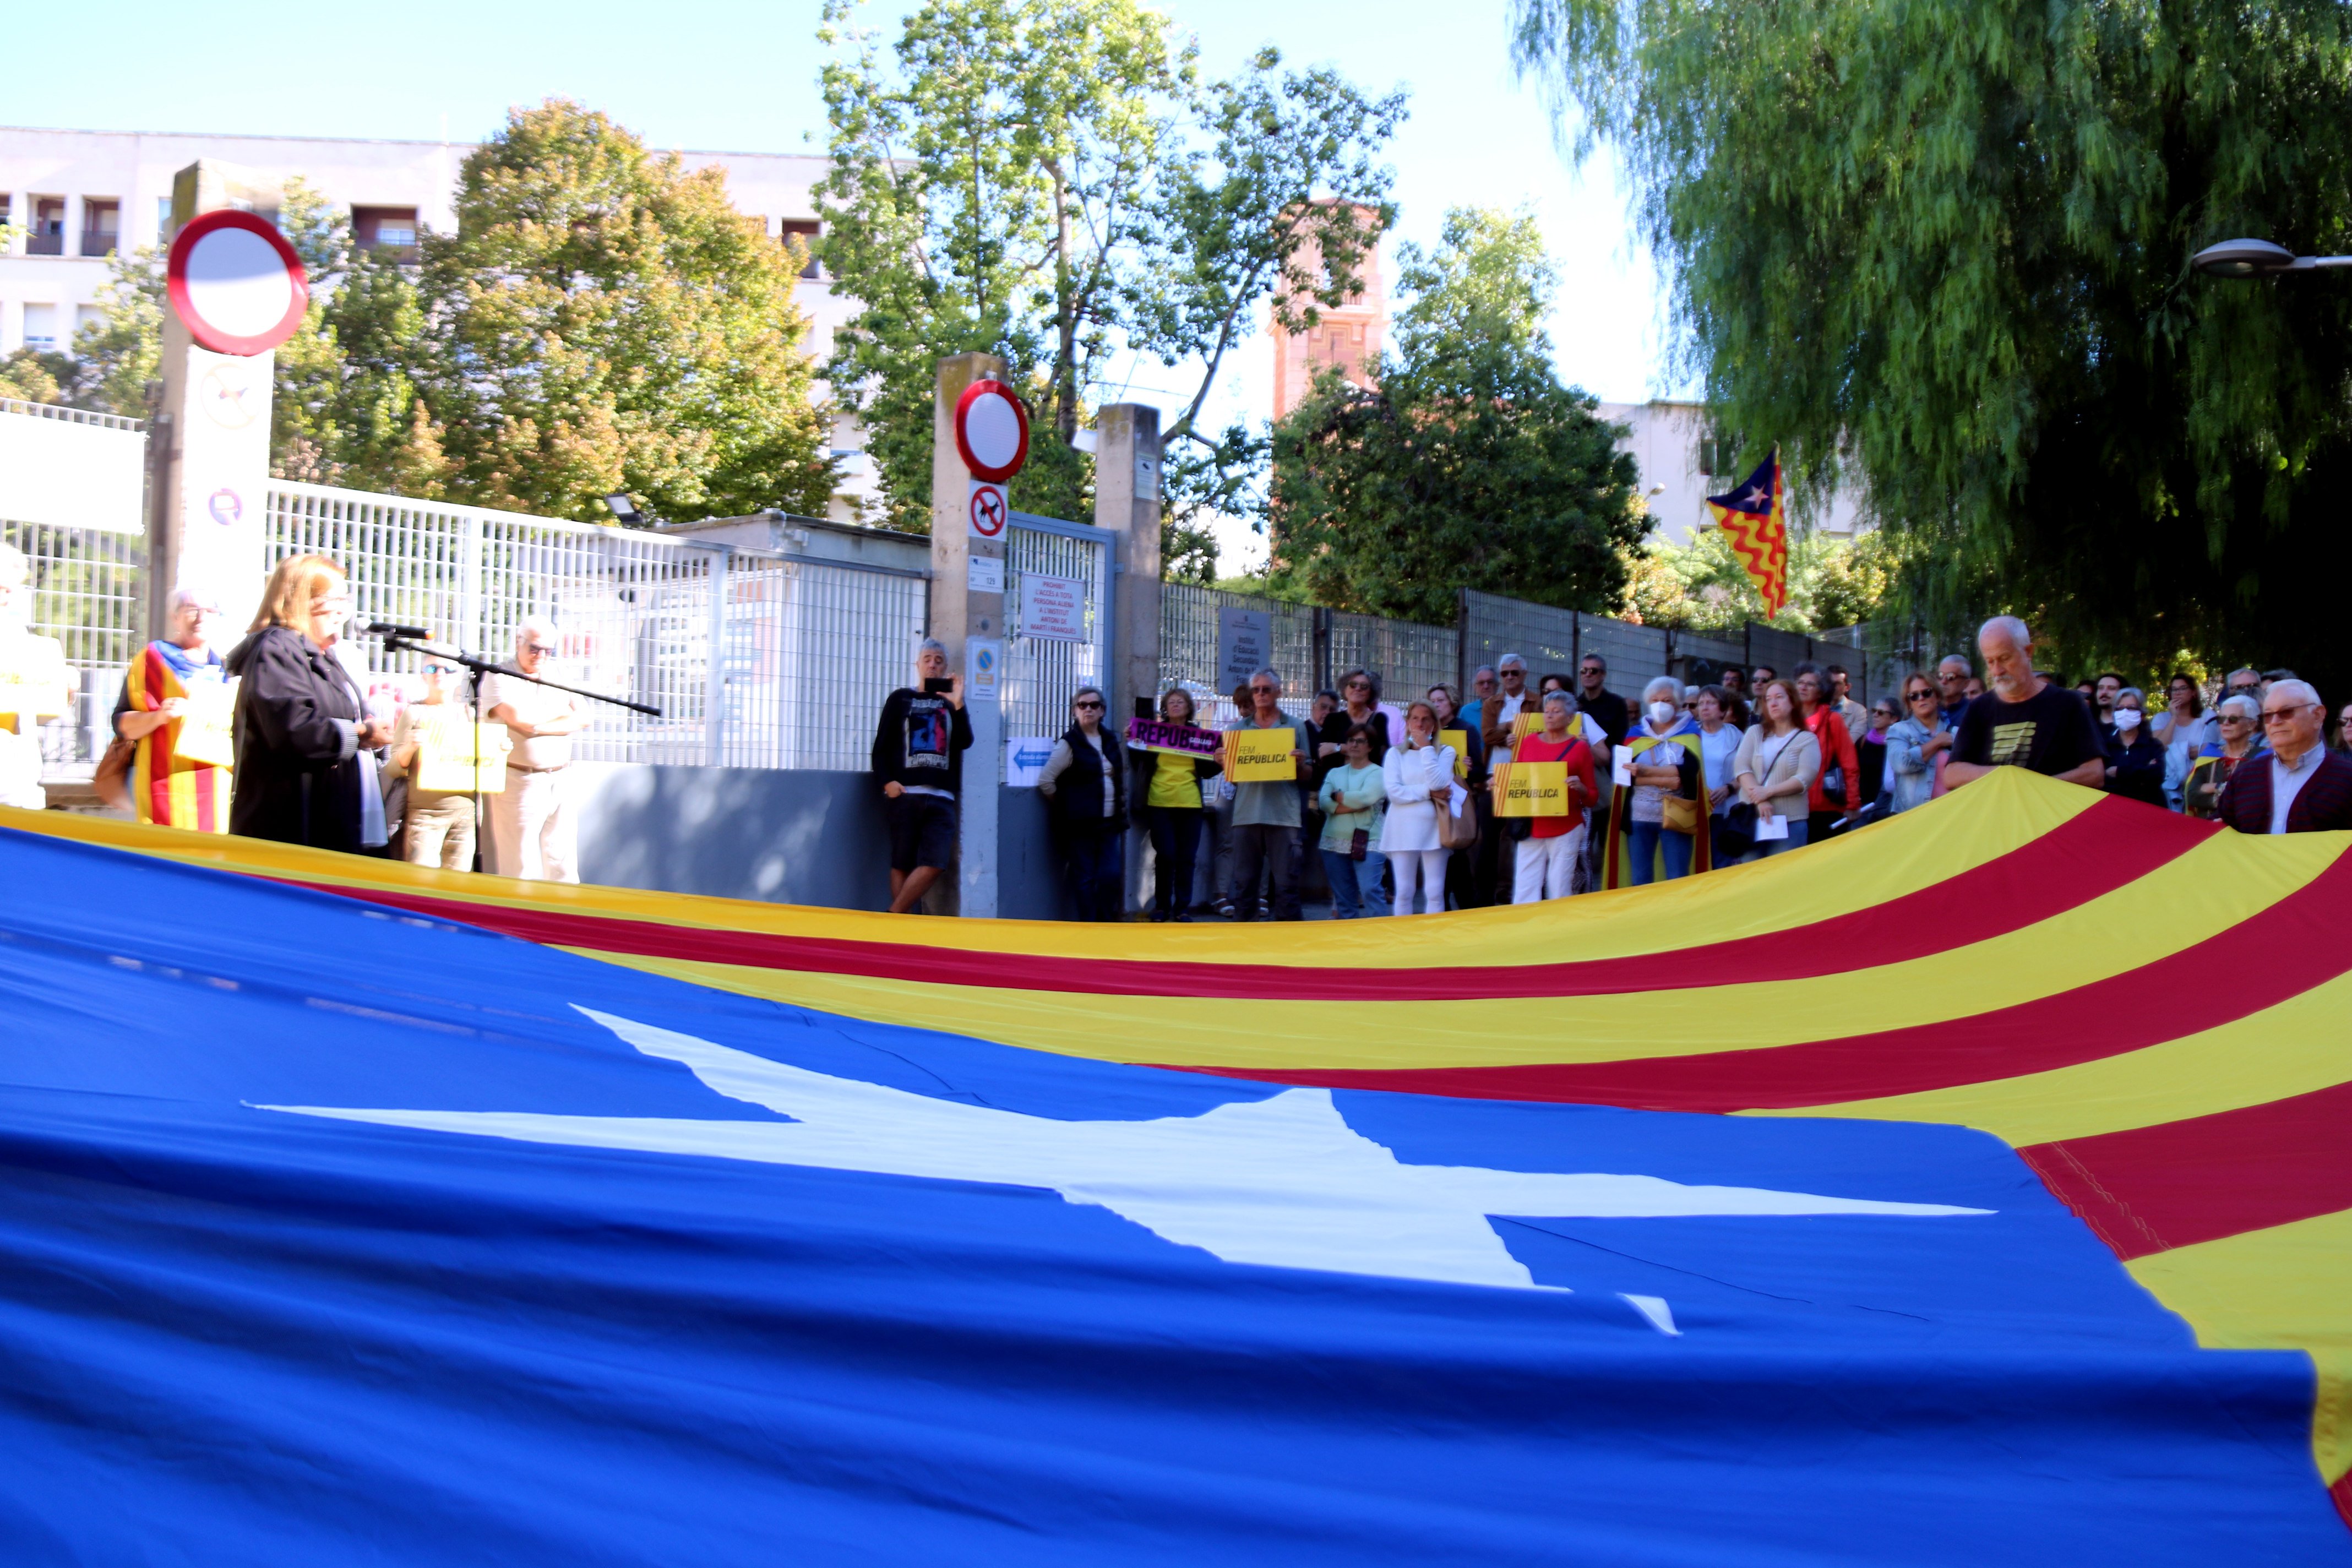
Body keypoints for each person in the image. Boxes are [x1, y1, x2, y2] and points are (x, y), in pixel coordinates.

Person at [224, 553, 392, 853]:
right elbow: (292, 729)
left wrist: (372, 734)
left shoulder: (321, 653)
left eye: (346, 599)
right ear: (301, 599)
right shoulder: (277, 648)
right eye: (335, 599)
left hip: (328, 814)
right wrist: (361, 734)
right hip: (292, 823)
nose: (345, 611)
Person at [112, 586, 232, 833]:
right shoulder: (153, 659)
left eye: (210, 611)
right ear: (175, 616)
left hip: (214, 787)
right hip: (164, 783)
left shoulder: (225, 669)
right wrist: (159, 716)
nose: (201, 618)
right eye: (192, 610)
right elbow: (121, 724)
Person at [870, 637, 973, 914]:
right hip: (905, 795)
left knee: (935, 863)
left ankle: (894, 918)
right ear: (917, 664)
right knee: (902, 861)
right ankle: (904, 932)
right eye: (928, 659)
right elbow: (880, 748)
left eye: (939, 661)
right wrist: (887, 783)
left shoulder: (952, 703)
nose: (933, 665)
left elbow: (965, 741)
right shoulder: (901, 698)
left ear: (946, 667)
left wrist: (959, 704)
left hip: (941, 798)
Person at [1944, 617, 2108, 790]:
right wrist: (2006, 775)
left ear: (2028, 652)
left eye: (2005, 658)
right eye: (1990, 661)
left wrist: (2033, 787)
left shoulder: (2068, 703)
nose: (1997, 670)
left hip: (2052, 813)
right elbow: (1952, 775)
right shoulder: (1979, 707)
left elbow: (2094, 774)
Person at [482, 616, 586, 883]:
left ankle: (564, 920)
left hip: (561, 775)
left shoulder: (559, 673)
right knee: (520, 864)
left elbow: (584, 717)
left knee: (562, 861)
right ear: (519, 642)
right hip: (520, 779)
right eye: (534, 648)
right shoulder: (499, 675)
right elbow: (522, 722)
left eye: (548, 651)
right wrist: (561, 719)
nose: (541, 656)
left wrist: (538, 725)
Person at [1222, 667, 1313, 922]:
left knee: (1286, 886)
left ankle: (1289, 945)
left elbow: (1308, 775)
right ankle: (1246, 944)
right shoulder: (1235, 731)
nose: (1261, 694)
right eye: (1256, 690)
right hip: (1246, 816)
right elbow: (1232, 777)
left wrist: (1300, 764)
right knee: (1244, 885)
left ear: (1278, 692)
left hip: (1284, 816)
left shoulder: (1295, 727)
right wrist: (1224, 763)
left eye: (1266, 689)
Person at [1604, 674, 1707, 886]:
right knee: (1640, 879)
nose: (1661, 705)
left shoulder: (1691, 734)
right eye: (1656, 700)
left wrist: (1644, 771)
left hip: (1677, 817)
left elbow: (1687, 774)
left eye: (1668, 700)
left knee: (1677, 877)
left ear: (1679, 704)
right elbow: (1625, 777)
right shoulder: (1634, 735)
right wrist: (1667, 779)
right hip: (1638, 818)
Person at [1037, 685, 1128, 922]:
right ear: (1075, 712)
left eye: (1094, 705)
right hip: (1080, 826)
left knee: (1111, 876)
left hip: (1110, 823)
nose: (1088, 709)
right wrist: (1067, 807)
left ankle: (1106, 924)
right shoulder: (1069, 743)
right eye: (1082, 705)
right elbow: (1046, 781)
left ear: (1102, 711)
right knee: (1085, 878)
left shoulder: (1110, 740)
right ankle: (1089, 927)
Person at [383, 658, 484, 869]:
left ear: (459, 676)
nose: (440, 673)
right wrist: (410, 747)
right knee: (422, 884)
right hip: (425, 815)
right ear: (423, 675)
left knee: (457, 888)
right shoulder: (414, 712)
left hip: (466, 814)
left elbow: (486, 764)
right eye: (432, 668)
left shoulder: (471, 715)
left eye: (448, 669)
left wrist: (501, 747)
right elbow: (393, 768)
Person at [0, 541, 77, 810]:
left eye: (10, 590)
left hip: (18, 789)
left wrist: (61, 692)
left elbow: (33, 716)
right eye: (1, 588)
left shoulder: (19, 638)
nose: (6, 599)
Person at [2217, 679, 2352, 833]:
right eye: (2268, 715)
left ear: (2317, 716)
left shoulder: (2347, 778)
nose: (2275, 722)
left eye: (2286, 712)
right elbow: (2220, 832)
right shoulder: (2245, 776)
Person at [1133, 685, 1217, 922]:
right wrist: (1133, 739)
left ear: (1189, 707)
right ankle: (1162, 906)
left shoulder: (1199, 735)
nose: (1176, 705)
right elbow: (1138, 760)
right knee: (1166, 855)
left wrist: (1219, 759)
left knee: (1187, 858)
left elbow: (1209, 771)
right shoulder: (1154, 732)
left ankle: (1182, 908)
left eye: (1181, 701)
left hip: (1190, 804)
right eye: (1172, 702)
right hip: (1160, 802)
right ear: (1165, 708)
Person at [1509, 689, 1599, 902]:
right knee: (1525, 887)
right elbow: (1518, 778)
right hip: (1532, 824)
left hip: (1566, 827)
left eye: (1556, 712)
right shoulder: (1529, 742)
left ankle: (1558, 932)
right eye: (1547, 711)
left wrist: (1581, 788)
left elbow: (1593, 797)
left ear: (1570, 718)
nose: (1549, 715)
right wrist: (1501, 783)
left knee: (1559, 888)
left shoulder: (1580, 748)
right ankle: (1526, 930)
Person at [1381, 700, 1459, 915]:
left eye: (1426, 719)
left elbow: (1439, 783)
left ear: (1434, 724)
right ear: (1407, 723)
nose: (1420, 723)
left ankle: (1434, 940)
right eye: (1415, 718)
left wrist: (1426, 748)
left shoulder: (1445, 752)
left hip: (1435, 827)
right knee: (1404, 890)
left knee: (1435, 891)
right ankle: (1404, 940)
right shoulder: (1395, 754)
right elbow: (1394, 793)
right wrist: (1428, 793)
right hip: (1401, 827)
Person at [1732, 678, 1820, 859]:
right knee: (1751, 874)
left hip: (1790, 821)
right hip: (1752, 818)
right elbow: (1742, 767)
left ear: (1793, 702)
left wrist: (1768, 792)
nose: (1773, 703)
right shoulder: (1755, 732)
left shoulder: (1807, 739)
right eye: (1768, 699)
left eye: (1779, 697)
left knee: (1784, 878)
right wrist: (1760, 799)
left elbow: (1804, 778)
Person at [1316, 723, 1390, 918]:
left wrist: (1338, 797)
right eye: (1351, 740)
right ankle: (1351, 943)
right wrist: (1350, 805)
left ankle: (1382, 938)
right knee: (1344, 899)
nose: (1355, 745)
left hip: (1369, 841)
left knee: (1370, 891)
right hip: (1333, 841)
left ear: (1370, 747)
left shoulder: (1379, 773)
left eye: (1361, 741)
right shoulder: (1334, 773)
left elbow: (1366, 798)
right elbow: (1323, 802)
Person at [1429, 682, 1486, 910]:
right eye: (1432, 701)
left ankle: (1466, 908)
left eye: (1440, 700)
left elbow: (1481, 771)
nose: (1436, 705)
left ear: (1452, 702)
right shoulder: (1427, 732)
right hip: (1432, 802)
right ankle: (1441, 909)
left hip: (1457, 802)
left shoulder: (1466, 729)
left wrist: (1470, 768)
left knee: (1457, 857)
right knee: (1436, 858)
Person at [1794, 663, 1861, 841]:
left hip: (1827, 808)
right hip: (1793, 809)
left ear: (1821, 691)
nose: (1803, 687)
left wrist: (1853, 803)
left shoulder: (1833, 720)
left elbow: (1849, 763)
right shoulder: (1787, 721)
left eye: (1810, 684)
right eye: (1800, 682)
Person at [2184, 695, 2263, 819]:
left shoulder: (2262, 758)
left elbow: (2256, 800)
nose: (2225, 724)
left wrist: (2209, 788)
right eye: (2221, 719)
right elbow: (2192, 796)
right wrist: (2220, 787)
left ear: (2251, 725)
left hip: (2245, 831)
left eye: (2233, 719)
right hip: (2209, 831)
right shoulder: (2209, 757)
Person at [1690, 685, 1744, 865]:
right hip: (1694, 810)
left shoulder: (1737, 737)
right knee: (1696, 862)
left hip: (1725, 811)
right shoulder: (1689, 735)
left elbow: (1749, 771)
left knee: (1722, 863)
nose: (1704, 707)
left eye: (1711, 703)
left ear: (1723, 710)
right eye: (1701, 703)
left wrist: (1729, 788)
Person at [1883, 674, 1951, 815]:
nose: (1921, 698)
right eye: (1914, 696)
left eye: (1926, 693)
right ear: (1909, 704)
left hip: (1951, 814)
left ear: (1937, 696)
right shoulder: (1899, 730)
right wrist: (1938, 742)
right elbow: (1901, 764)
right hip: (1914, 817)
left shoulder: (1955, 733)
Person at [2097, 687, 2166, 808]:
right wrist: (2141, 773)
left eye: (2131, 708)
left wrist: (2119, 772)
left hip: (2148, 811)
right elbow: (2101, 779)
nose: (2125, 712)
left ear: (2142, 715)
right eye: (2120, 708)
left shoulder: (2154, 746)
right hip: (2113, 809)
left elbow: (2156, 776)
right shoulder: (2104, 746)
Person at [2153, 673, 2213, 810]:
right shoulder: (2161, 718)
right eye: (2174, 690)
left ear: (2193, 692)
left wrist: (2181, 751)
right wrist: (2174, 717)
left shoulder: (2207, 716)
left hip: (2199, 778)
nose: (2177, 693)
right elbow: (2159, 747)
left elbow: (2212, 748)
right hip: (2167, 780)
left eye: (2182, 688)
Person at [1576, 654, 1630, 749]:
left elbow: (1620, 740)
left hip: (1609, 760)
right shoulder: (1575, 704)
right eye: (1584, 671)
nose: (1588, 674)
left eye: (1593, 671)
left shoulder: (1617, 704)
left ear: (1603, 675)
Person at [1858, 695, 1897, 813]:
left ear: (1894, 719)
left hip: (1887, 808)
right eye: (1874, 711)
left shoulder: (1898, 743)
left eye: (1881, 713)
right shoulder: (1863, 741)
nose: (1875, 715)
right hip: (1862, 807)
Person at [1827, 665, 1868, 742]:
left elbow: (1851, 741)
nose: (1833, 687)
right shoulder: (1815, 707)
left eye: (1838, 684)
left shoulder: (1858, 711)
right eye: (1830, 683)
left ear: (1847, 687)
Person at [1935, 655, 1975, 727]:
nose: (1943, 681)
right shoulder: (1929, 707)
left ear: (1966, 684)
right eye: (1940, 675)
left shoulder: (1974, 712)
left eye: (1951, 677)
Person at [2092, 673, 2125, 739]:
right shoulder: (2086, 723)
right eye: (2101, 688)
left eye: (2111, 688)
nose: (2104, 692)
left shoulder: (2130, 726)